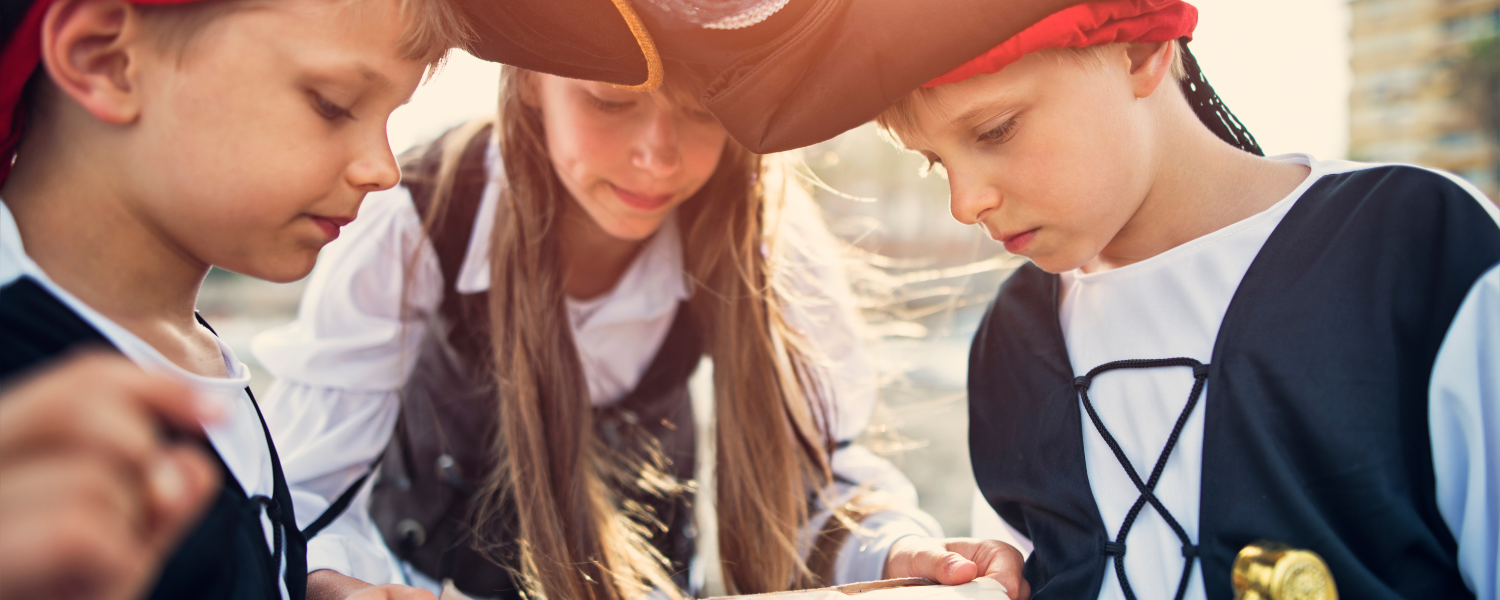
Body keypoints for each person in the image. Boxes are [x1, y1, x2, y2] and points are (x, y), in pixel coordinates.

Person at [251, 57, 1028, 600]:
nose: (657, 156)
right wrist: (346, 585)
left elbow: (825, 477)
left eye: (701, 111)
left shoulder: (758, 232)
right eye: (609, 100)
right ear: (529, 87)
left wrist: (896, 546)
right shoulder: (413, 215)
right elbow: (310, 489)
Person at [869, 2, 1500, 599]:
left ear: (1141, 48)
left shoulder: (1411, 248)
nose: (963, 202)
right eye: (934, 162)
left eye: (995, 129)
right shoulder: (1014, 335)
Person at [0, 0, 466, 598]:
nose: (383, 169)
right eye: (333, 103)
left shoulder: (187, 348)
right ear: (105, 59)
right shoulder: (22, 404)